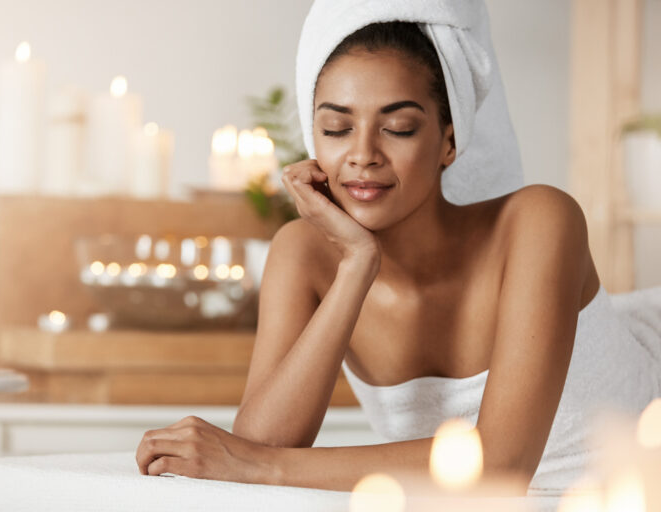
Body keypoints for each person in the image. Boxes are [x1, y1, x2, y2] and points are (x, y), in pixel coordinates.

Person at [135, 10, 660, 495]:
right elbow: (264, 441)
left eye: (399, 128)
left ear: (449, 142)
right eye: (337, 128)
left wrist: (257, 466)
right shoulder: (303, 254)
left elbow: (501, 467)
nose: (362, 154)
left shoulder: (539, 221)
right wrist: (357, 266)